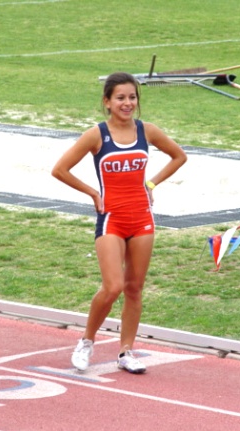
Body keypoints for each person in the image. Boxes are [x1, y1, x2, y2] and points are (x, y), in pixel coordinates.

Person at [51, 72, 187, 374]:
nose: (128, 103)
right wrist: (92, 192)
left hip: (142, 218)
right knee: (113, 287)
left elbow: (179, 156)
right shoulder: (96, 135)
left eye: (132, 97)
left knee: (134, 288)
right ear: (107, 102)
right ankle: (86, 341)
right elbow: (59, 170)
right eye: (121, 98)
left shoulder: (147, 131)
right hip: (111, 218)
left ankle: (126, 351)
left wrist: (151, 184)